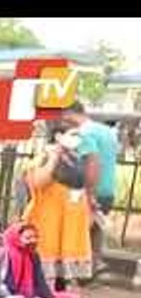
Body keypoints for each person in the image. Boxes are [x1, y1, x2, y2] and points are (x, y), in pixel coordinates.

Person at [22, 125, 93, 290]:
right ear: (58, 136)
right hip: (48, 220)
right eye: (72, 134)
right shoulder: (44, 157)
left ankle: (65, 291)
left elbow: (82, 187)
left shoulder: (77, 159)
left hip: (71, 222)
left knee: (67, 269)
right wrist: (54, 157)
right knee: (46, 266)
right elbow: (38, 182)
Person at [62, 101, 119, 276]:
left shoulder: (84, 133)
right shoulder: (106, 131)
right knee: (95, 232)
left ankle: (75, 276)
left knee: (80, 233)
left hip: (89, 191)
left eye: (63, 115)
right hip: (107, 189)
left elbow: (92, 164)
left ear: (70, 112)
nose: (62, 120)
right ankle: (90, 271)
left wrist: (89, 194)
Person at [3, 223, 63, 298]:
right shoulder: (6, 256)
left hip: (29, 295)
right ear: (16, 238)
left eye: (35, 237)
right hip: (10, 296)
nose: (33, 240)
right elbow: (8, 285)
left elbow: (40, 280)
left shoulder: (33, 255)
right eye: (28, 238)